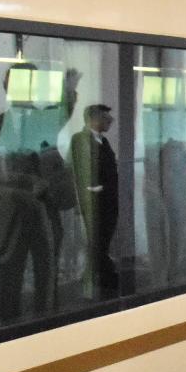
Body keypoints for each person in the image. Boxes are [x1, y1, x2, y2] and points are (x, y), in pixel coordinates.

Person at [70, 102, 120, 298]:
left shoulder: (103, 142)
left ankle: (98, 279)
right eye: (106, 118)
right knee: (96, 242)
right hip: (95, 202)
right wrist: (93, 190)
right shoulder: (80, 139)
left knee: (102, 241)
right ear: (94, 119)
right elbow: (82, 173)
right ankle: (98, 280)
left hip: (108, 201)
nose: (110, 121)